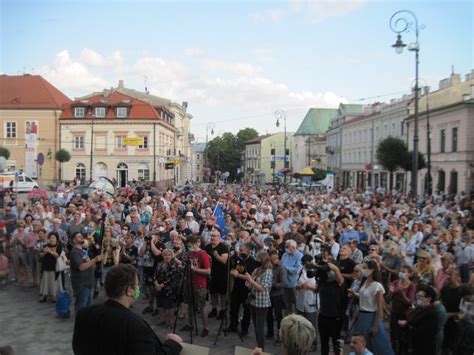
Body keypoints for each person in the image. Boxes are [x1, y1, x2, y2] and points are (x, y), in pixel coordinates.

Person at [72, 264, 182, 355]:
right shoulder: (134, 325)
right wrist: (172, 344)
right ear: (129, 291)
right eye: (137, 285)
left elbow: (78, 347)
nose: (138, 288)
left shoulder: (84, 314)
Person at [350, 260, 394, 355]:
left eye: (365, 268)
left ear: (372, 270)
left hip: (371, 316)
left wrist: (375, 325)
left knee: (380, 345)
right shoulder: (364, 282)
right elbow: (364, 298)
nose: (363, 270)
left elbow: (379, 307)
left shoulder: (377, 286)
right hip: (362, 316)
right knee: (365, 345)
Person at [398, 285, 439, 355]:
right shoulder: (419, 309)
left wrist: (406, 324)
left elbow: (424, 332)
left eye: (420, 297)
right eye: (417, 296)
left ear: (429, 299)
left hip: (423, 349)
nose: (417, 298)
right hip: (412, 345)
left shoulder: (431, 313)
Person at [183, 236, 211, 337]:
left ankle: (205, 327)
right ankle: (191, 324)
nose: (189, 247)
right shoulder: (190, 253)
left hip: (200, 284)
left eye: (190, 245)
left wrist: (196, 270)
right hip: (190, 282)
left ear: (195, 243)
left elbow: (208, 271)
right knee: (190, 305)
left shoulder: (203, 254)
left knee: (202, 306)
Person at [245, 251, 273, 350]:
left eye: (258, 259)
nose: (256, 261)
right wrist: (248, 283)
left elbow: (262, 288)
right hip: (253, 301)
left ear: (263, 260)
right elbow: (251, 282)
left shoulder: (268, 272)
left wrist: (251, 281)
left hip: (262, 303)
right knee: (256, 327)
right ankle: (258, 346)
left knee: (259, 328)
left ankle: (261, 349)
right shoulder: (257, 269)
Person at [228, 242, 257, 336]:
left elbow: (251, 278)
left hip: (246, 289)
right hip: (236, 287)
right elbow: (233, 270)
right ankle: (233, 325)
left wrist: (238, 275)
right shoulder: (237, 259)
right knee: (233, 307)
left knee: (246, 309)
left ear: (247, 251)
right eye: (239, 250)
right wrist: (233, 272)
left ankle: (245, 329)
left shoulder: (252, 262)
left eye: (241, 250)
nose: (239, 252)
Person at [69, 232, 102, 313]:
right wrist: (93, 260)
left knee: (89, 307)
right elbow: (81, 267)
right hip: (81, 284)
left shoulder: (83, 251)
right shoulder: (75, 252)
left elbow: (90, 266)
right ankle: (80, 323)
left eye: (82, 236)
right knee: (81, 306)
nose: (81, 237)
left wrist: (94, 262)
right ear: (74, 240)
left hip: (89, 282)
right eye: (79, 237)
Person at [317, 259, 345, 355]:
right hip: (323, 316)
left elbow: (341, 280)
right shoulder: (322, 282)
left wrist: (334, 269)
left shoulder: (338, 284)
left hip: (335, 318)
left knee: (336, 344)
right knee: (324, 344)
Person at [205, 230, 229, 320]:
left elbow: (224, 261)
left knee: (222, 293)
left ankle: (223, 310)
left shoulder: (223, 247)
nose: (212, 238)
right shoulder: (207, 247)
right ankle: (214, 309)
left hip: (221, 274)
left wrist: (216, 256)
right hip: (211, 274)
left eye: (214, 236)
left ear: (219, 237)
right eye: (211, 236)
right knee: (213, 293)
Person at [295, 254, 318, 351]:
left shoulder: (317, 271)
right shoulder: (300, 271)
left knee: (311, 325)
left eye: (307, 263)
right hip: (300, 301)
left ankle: (313, 343)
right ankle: (302, 342)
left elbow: (320, 287)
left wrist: (311, 287)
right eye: (304, 263)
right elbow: (295, 285)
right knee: (301, 324)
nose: (306, 265)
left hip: (311, 301)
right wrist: (300, 286)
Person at [266, 249, 287, 343]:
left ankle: (280, 335)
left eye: (276, 258)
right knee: (268, 314)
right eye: (272, 259)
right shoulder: (267, 267)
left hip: (277, 295)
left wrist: (272, 284)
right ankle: (270, 332)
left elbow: (283, 283)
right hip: (268, 294)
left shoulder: (281, 268)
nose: (275, 260)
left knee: (278, 316)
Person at [281, 239, 303, 314]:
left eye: (287, 246)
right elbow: (281, 265)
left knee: (296, 302)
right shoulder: (285, 254)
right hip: (285, 282)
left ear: (293, 247)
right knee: (287, 302)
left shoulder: (299, 256)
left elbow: (298, 269)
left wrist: (285, 268)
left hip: (294, 283)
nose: (286, 248)